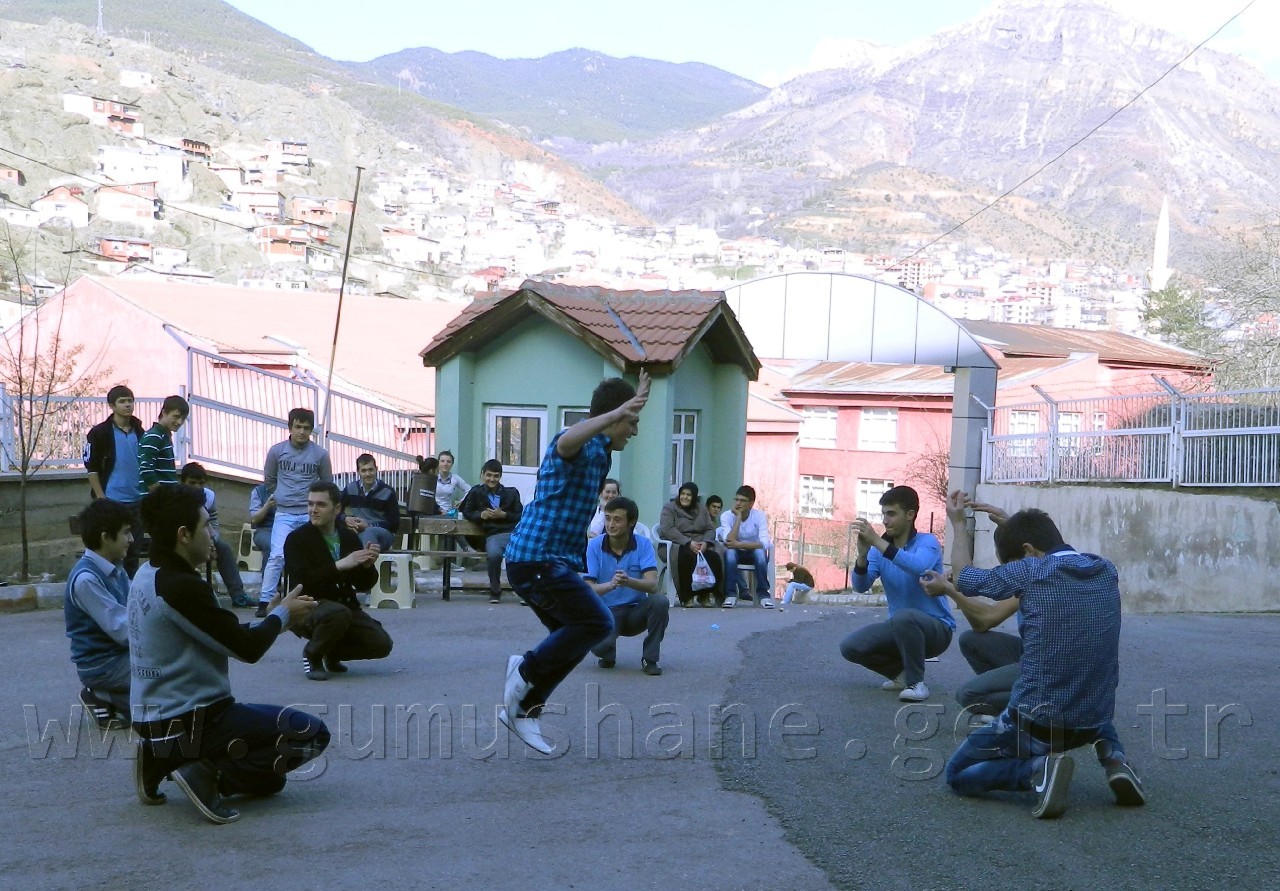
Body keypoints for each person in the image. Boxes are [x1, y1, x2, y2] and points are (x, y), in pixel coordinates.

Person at [922, 492, 1147, 818]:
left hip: (1039, 723)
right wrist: (1013, 528)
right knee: (1086, 672)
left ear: (1028, 552)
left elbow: (965, 577)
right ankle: (1115, 760)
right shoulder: (1105, 569)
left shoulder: (1031, 570)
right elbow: (1053, 549)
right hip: (1093, 719)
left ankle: (1036, 770)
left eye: (1011, 564)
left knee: (957, 773)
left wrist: (958, 524)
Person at [128, 484, 328, 825]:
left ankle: (159, 758)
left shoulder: (149, 575)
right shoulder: (181, 587)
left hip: (155, 720)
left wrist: (278, 618)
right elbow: (246, 649)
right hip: (195, 719)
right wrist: (282, 616)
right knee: (311, 734)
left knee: (271, 781)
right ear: (183, 535)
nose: (212, 534)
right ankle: (204, 774)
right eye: (206, 525)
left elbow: (225, 635)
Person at [500, 371, 650, 754]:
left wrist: (624, 408)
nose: (634, 431)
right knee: (598, 622)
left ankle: (524, 712)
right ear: (613, 416)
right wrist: (615, 411)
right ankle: (524, 671)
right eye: (631, 422)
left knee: (577, 639)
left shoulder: (602, 457)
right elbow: (567, 440)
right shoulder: (578, 445)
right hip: (536, 558)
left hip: (551, 562)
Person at [840, 485, 953, 702]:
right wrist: (862, 556)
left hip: (937, 630)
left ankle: (916, 683)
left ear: (910, 515)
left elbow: (918, 567)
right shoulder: (878, 550)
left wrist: (878, 543)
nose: (885, 520)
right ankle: (900, 676)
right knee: (850, 647)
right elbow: (861, 586)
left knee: (904, 616)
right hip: (900, 628)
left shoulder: (927, 543)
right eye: (883, 514)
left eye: (891, 513)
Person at [284, 481, 392, 680]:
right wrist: (339, 565)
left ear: (337, 509)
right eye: (310, 504)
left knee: (382, 644)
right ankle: (313, 654)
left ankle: (331, 651)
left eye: (321, 505)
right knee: (337, 613)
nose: (313, 510)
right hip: (307, 606)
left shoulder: (348, 537)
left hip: (343, 607)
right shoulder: (297, 539)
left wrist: (367, 566)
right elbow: (302, 582)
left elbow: (363, 585)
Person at [942, 497, 1022, 717]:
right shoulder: (1055, 567)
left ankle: (1030, 708)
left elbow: (986, 617)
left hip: (1053, 668)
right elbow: (982, 624)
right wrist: (1009, 525)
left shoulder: (1031, 577)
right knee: (973, 640)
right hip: (1055, 663)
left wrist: (959, 525)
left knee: (970, 696)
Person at [65, 498, 135, 729]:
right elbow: (123, 630)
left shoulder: (115, 567)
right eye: (126, 533)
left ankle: (119, 698)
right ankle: (103, 697)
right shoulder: (87, 579)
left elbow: (138, 604)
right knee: (168, 694)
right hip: (104, 664)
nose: (131, 539)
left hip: (121, 656)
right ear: (106, 537)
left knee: (173, 678)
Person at [257, 408, 333, 618]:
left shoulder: (320, 454)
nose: (302, 432)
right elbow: (269, 480)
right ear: (290, 427)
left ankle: (317, 597)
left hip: (310, 514)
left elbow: (327, 483)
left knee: (316, 558)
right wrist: (281, 496)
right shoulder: (276, 451)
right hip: (284, 513)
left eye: (306, 428)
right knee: (277, 556)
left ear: (311, 430)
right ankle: (265, 600)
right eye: (298, 427)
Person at [584, 496, 667, 675]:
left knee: (660, 601)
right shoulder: (594, 545)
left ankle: (650, 659)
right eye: (607, 518)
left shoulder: (643, 544)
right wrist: (610, 585)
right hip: (606, 612)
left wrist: (629, 581)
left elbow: (653, 585)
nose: (610, 524)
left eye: (617, 520)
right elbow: (586, 588)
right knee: (599, 647)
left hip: (634, 612)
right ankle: (608, 652)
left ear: (632, 523)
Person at [83, 385, 146, 576]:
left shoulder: (140, 432)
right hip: (112, 502)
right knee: (112, 553)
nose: (127, 405)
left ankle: (131, 597)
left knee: (133, 552)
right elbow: (92, 469)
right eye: (122, 401)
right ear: (112, 406)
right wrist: (102, 498)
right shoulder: (100, 433)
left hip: (137, 502)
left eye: (130, 400)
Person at [180, 463, 252, 608]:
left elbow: (213, 522)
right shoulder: (177, 497)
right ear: (183, 483)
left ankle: (238, 595)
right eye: (192, 483)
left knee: (224, 549)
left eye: (201, 483)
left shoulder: (209, 496)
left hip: (203, 536)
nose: (197, 487)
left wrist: (212, 541)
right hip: (182, 539)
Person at [459, 458, 524, 604]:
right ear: (482, 475)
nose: (492, 479)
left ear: (500, 476)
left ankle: (523, 591)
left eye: (496, 476)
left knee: (523, 555)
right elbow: (467, 511)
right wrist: (480, 515)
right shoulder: (476, 492)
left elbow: (520, 515)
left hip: (514, 534)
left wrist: (504, 515)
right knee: (494, 555)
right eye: (488, 475)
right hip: (493, 535)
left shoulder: (511, 493)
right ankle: (495, 591)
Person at [657, 481, 723, 608]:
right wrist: (687, 542)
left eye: (688, 495)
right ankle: (687, 596)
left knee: (713, 556)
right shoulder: (669, 508)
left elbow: (710, 528)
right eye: (683, 494)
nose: (685, 497)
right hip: (675, 544)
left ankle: (704, 595)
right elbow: (667, 529)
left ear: (694, 497)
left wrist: (705, 542)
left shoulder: (701, 509)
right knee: (687, 557)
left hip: (699, 544)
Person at [719, 485, 773, 608]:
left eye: (742, 501)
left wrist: (740, 544)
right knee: (730, 553)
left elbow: (764, 543)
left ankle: (764, 596)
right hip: (736, 552)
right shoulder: (727, 516)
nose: (738, 503)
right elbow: (728, 540)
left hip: (753, 552)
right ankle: (731, 595)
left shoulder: (759, 516)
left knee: (759, 553)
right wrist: (738, 518)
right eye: (736, 500)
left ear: (751, 503)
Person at [340, 453, 401, 552]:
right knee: (345, 533)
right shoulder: (351, 489)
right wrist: (345, 518)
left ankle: (367, 564)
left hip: (383, 534)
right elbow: (335, 508)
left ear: (376, 469)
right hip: (359, 532)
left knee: (369, 532)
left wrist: (369, 525)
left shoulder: (388, 491)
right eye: (363, 470)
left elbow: (394, 524)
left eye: (370, 469)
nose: (368, 474)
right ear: (358, 472)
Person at [137, 395, 189, 495]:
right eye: (176, 417)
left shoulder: (163, 436)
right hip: (155, 503)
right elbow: (145, 469)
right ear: (164, 413)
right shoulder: (154, 436)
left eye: (183, 419)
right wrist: (161, 497)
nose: (179, 422)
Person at [434, 450, 469, 515]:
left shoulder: (455, 478)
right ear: (438, 463)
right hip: (433, 511)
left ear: (452, 464)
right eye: (442, 461)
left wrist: (461, 501)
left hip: (447, 513)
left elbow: (470, 490)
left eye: (448, 462)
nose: (445, 464)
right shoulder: (433, 477)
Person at [248, 481, 275, 558]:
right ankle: (267, 570)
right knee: (271, 545)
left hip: (286, 529)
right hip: (265, 530)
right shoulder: (259, 491)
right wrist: (267, 505)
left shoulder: (290, 491)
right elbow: (254, 519)